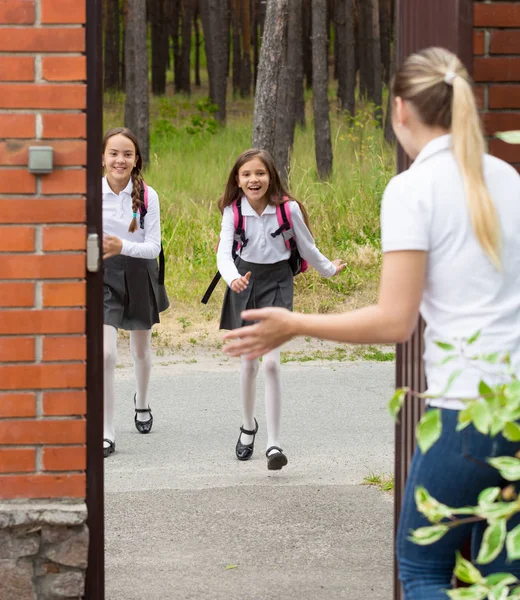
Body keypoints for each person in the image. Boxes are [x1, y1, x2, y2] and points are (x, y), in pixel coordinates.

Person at [223, 48, 520, 596]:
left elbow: (393, 321)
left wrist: (295, 322)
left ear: (400, 110)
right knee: (500, 580)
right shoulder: (508, 178)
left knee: (426, 570)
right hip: (517, 412)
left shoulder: (411, 189)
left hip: (469, 417)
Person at [217, 148, 346, 471]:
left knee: (271, 364)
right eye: (246, 174)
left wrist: (329, 269)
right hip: (244, 282)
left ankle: (274, 444)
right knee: (249, 363)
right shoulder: (233, 212)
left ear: (271, 176)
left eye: (260, 173)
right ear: (238, 179)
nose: (253, 179)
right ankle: (248, 427)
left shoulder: (288, 210)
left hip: (278, 284)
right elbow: (223, 253)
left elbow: (307, 247)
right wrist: (232, 279)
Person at [102, 127, 169, 458]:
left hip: (139, 272)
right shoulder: (90, 193)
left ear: (136, 159)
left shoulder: (148, 195)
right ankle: (106, 432)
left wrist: (121, 245)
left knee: (140, 351)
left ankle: (141, 402)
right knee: (105, 354)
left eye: (127, 154)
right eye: (113, 153)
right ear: (102, 157)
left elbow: (153, 247)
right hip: (102, 277)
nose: (120, 159)